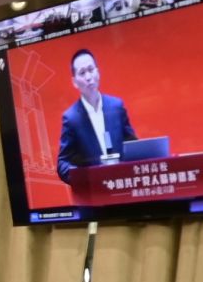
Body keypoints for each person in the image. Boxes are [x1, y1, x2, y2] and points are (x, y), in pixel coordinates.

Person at [55, 48, 140, 182]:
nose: (88, 77)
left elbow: (134, 147)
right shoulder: (71, 118)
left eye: (91, 69)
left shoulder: (116, 106)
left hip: (123, 185)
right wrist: (85, 178)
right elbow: (62, 164)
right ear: (74, 82)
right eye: (82, 73)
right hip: (94, 190)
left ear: (98, 72)